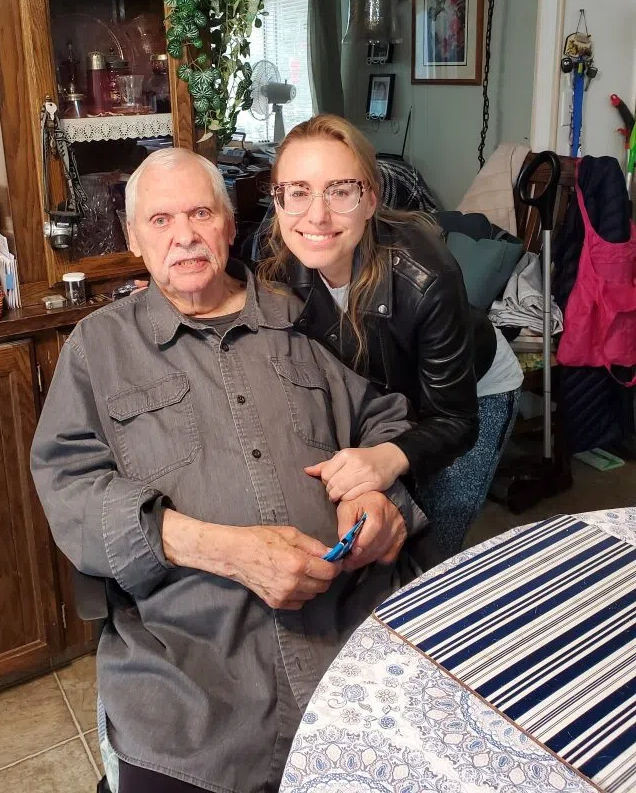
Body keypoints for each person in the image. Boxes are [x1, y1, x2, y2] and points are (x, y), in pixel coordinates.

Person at [31, 148, 426, 793]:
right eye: (160, 220)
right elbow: (68, 488)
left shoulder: (304, 318)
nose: (184, 235)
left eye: (200, 213)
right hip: (189, 669)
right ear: (133, 238)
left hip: (351, 635)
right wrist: (226, 550)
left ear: (229, 222)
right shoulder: (98, 349)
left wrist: (378, 501)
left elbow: (385, 421)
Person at [257, 115, 507, 526]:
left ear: (370, 200)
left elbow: (455, 421)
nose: (317, 216)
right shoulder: (277, 262)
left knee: (436, 530)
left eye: (340, 191)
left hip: (470, 391)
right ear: (278, 199)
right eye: (298, 192)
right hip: (386, 397)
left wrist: (387, 456)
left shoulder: (428, 277)